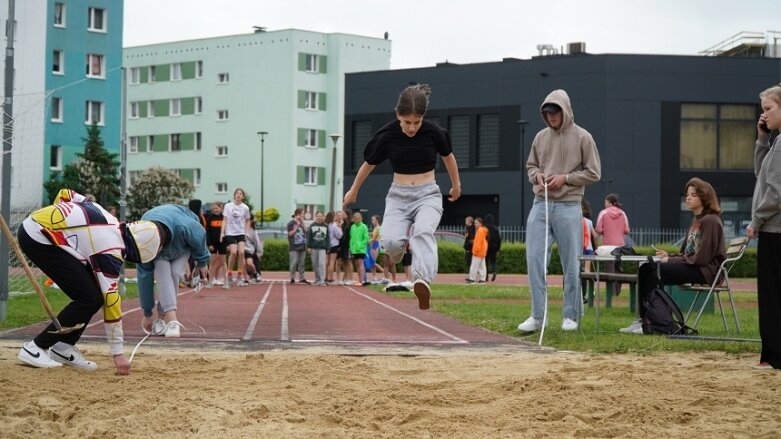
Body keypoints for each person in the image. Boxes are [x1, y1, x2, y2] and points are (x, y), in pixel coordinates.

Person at [343, 83, 462, 309]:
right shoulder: (388, 135)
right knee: (391, 243)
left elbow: (449, 158)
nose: (412, 128)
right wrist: (354, 189)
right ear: (398, 115)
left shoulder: (433, 132)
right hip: (398, 196)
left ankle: (422, 280)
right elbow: (369, 164)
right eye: (407, 122)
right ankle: (396, 254)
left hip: (428, 194)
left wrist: (456, 186)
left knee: (423, 232)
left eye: (416, 122)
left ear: (422, 118)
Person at [16, 189, 160, 374]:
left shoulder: (104, 213)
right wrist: (118, 354)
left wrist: (55, 218)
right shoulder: (111, 252)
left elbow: (65, 194)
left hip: (37, 228)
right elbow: (112, 301)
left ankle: (63, 346)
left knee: (92, 296)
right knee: (89, 299)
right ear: (138, 254)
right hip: (38, 237)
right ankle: (35, 347)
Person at [518, 89, 601, 333]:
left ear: (564, 110)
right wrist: (537, 176)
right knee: (534, 259)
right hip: (540, 203)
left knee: (571, 263)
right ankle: (537, 316)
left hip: (569, 204)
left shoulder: (584, 137)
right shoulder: (540, 137)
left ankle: (570, 315)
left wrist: (565, 178)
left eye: (555, 111)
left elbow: (594, 173)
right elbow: (531, 165)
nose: (551, 116)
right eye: (546, 112)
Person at [621, 178, 726, 335]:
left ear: (704, 197)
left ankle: (656, 322)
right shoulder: (695, 220)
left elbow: (702, 258)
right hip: (695, 266)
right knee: (646, 268)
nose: (688, 198)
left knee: (652, 269)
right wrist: (669, 256)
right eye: (687, 194)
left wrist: (670, 260)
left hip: (705, 271)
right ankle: (647, 320)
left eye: (693, 195)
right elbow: (687, 254)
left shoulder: (710, 221)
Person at [138, 204, 211, 338]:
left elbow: (199, 235)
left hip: (181, 242)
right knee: (161, 268)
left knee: (175, 273)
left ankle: (165, 319)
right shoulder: (144, 244)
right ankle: (170, 320)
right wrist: (147, 313)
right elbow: (144, 278)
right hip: (158, 239)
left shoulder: (185, 226)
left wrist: (202, 262)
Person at [747, 84, 781, 369]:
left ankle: (772, 356)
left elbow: (776, 192)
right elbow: (761, 175)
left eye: (769, 109)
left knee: (771, 295)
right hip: (772, 229)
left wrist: (756, 220)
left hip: (775, 230)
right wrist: (762, 140)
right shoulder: (776, 142)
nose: (764, 115)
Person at [596, 193, 631, 296]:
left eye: (605, 202)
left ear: (609, 203)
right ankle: (617, 291)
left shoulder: (603, 213)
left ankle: (610, 293)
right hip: (620, 246)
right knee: (618, 269)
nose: (604, 204)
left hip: (608, 247)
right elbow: (627, 230)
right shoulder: (622, 213)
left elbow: (598, 229)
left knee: (609, 270)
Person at [220, 188, 251, 288]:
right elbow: (224, 220)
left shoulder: (245, 208)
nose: (238, 195)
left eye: (240, 193)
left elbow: (248, 220)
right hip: (230, 232)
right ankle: (229, 275)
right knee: (233, 252)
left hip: (240, 232)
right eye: (237, 193)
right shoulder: (228, 206)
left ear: (243, 196)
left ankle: (239, 276)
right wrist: (222, 233)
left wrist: (247, 232)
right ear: (234, 195)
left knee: (241, 252)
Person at [205, 202, 227, 287]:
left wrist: (227, 243)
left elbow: (227, 231)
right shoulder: (210, 218)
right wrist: (209, 244)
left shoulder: (224, 218)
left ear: (221, 208)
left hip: (222, 243)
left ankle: (225, 282)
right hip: (213, 243)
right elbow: (208, 232)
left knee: (223, 262)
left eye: (217, 208)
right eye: (213, 208)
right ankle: (210, 281)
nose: (215, 210)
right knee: (212, 262)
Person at [307, 211, 330, 285]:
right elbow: (309, 237)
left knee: (322, 264)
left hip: (322, 248)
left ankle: (322, 280)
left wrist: (328, 247)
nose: (319, 217)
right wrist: (308, 246)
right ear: (315, 216)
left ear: (323, 217)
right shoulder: (312, 225)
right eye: (318, 216)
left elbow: (328, 238)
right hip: (313, 247)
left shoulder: (326, 226)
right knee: (314, 264)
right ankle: (317, 279)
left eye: (321, 216)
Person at [287, 208, 309, 283]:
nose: (303, 215)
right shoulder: (291, 223)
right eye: (302, 214)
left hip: (302, 245)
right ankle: (292, 278)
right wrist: (296, 227)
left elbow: (306, 230)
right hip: (294, 246)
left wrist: (302, 222)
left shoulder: (303, 223)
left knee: (302, 263)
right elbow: (290, 234)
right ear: (298, 214)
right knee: (294, 262)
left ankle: (301, 278)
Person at [349, 211, 370, 286]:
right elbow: (351, 237)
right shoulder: (352, 227)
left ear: (361, 218)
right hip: (354, 249)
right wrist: (351, 246)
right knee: (357, 264)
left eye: (358, 218)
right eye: (355, 218)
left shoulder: (364, 226)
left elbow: (366, 238)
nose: (357, 219)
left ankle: (362, 280)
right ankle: (359, 280)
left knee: (360, 263)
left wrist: (361, 245)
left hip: (361, 249)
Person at [467, 217, 488, 284]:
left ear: (480, 224)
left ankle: (472, 279)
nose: (475, 224)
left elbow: (478, 242)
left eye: (476, 223)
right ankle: (482, 279)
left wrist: (475, 251)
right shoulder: (483, 231)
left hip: (478, 252)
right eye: (475, 223)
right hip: (482, 252)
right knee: (482, 267)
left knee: (474, 266)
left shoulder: (479, 231)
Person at [325, 211, 343, 285]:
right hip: (334, 245)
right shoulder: (334, 225)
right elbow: (339, 235)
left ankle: (325, 277)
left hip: (326, 245)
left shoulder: (325, 225)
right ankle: (330, 278)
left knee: (326, 262)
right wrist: (340, 227)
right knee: (332, 262)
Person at [484, 213, 501, 282]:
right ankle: (494, 271)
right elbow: (499, 239)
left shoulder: (484, 228)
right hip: (494, 247)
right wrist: (498, 249)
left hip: (486, 246)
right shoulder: (495, 228)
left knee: (485, 261)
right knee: (493, 261)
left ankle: (486, 275)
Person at [338, 209, 354, 284]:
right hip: (343, 245)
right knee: (344, 261)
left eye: (343, 214)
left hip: (348, 245)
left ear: (348, 215)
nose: (342, 215)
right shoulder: (343, 224)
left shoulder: (351, 224)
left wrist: (351, 245)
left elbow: (351, 235)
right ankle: (345, 277)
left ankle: (351, 278)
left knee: (348, 261)